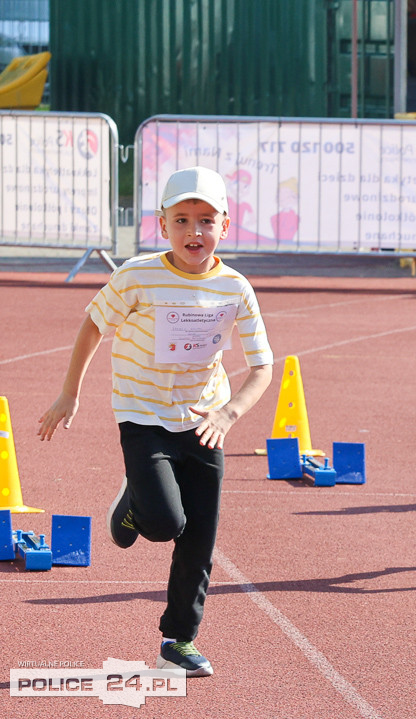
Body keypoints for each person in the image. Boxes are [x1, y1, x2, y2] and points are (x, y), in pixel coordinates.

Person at [37, 166, 275, 677]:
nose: (195, 232)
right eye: (183, 219)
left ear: (225, 226)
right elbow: (93, 326)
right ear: (161, 223)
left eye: (206, 220)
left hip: (204, 419)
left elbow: (262, 367)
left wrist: (228, 412)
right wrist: (68, 393)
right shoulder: (137, 275)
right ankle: (136, 505)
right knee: (168, 523)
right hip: (142, 413)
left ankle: (179, 639)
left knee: (200, 538)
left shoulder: (235, 287)